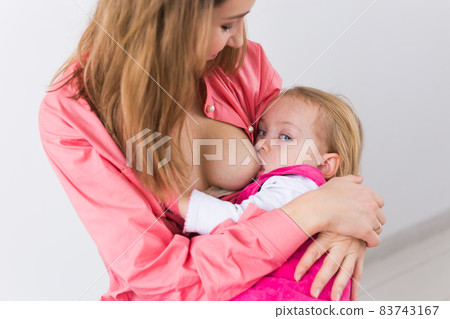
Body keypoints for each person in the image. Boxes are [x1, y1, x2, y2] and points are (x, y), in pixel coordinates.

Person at [38, 0, 385, 301]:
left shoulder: (242, 64)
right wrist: (308, 216)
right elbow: (162, 280)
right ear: (168, 19)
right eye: (225, 24)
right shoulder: (74, 115)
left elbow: (310, 161)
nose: (238, 39)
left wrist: (343, 224)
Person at [178, 86, 364, 301]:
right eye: (263, 132)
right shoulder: (301, 189)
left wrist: (178, 199)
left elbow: (240, 222)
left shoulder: (296, 185)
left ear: (324, 164)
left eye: (285, 137)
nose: (262, 144)